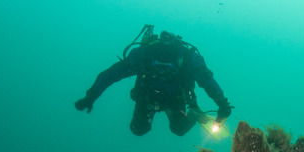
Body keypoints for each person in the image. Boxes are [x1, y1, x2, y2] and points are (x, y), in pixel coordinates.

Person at [75, 26, 232, 136]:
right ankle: (195, 113)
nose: (163, 69)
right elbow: (111, 75)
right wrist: (91, 96)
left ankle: (195, 113)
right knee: (138, 129)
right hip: (147, 97)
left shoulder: (189, 59)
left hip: (175, 99)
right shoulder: (142, 56)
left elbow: (206, 79)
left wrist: (222, 103)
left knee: (179, 129)